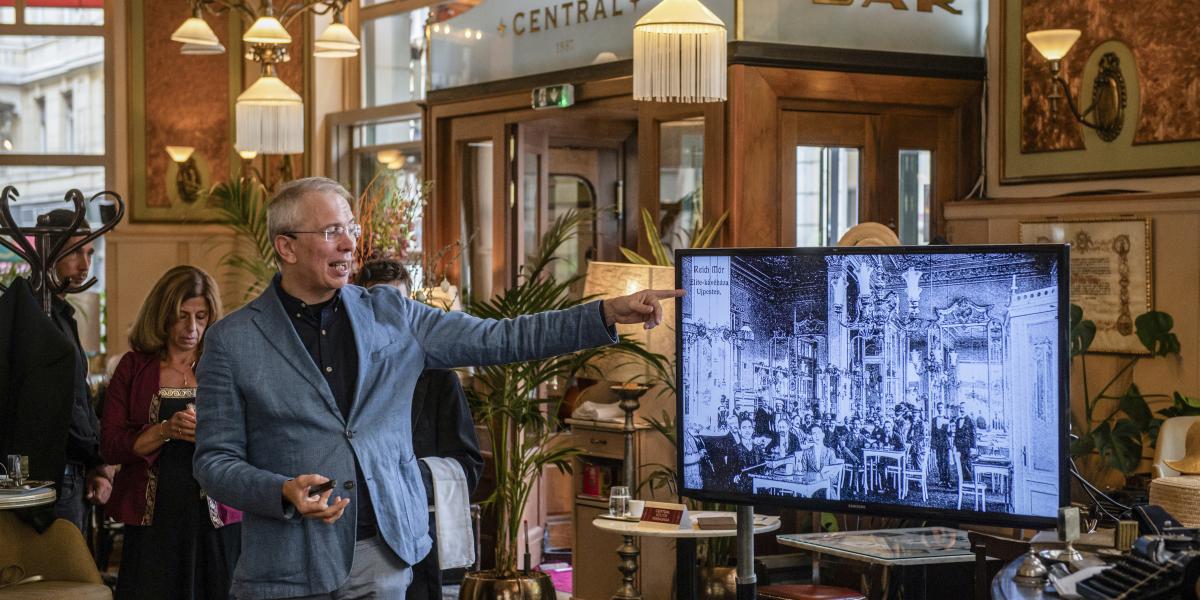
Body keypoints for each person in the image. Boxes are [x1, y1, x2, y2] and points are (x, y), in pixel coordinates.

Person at [192, 177, 681, 599]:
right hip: (288, 565)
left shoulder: (394, 314)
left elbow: (502, 337)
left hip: (384, 554)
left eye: (351, 230)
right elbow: (215, 461)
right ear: (286, 247)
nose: (347, 245)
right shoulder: (233, 340)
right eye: (331, 232)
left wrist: (602, 315)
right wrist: (279, 490)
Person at [101, 266, 241, 599]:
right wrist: (165, 429)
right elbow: (110, 446)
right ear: (162, 314)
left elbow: (253, 437)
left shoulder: (225, 364)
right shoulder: (133, 367)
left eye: (201, 316)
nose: (191, 328)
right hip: (154, 517)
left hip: (216, 516)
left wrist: (214, 432)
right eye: (181, 317)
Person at [354, 260, 484, 600]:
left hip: (416, 534)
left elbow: (468, 465)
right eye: (377, 303)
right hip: (354, 537)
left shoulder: (441, 380)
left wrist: (404, 477)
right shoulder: (343, 375)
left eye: (398, 304)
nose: (388, 316)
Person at [38, 209, 114, 532]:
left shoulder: (60, 314)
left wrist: (98, 461)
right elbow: (60, 408)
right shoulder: (37, 313)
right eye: (74, 253)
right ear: (48, 252)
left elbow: (79, 399)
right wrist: (99, 458)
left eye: (89, 253)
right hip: (58, 475)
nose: (85, 265)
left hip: (72, 472)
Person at [931, 402, 953, 487]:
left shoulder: (947, 418)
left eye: (941, 407)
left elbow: (950, 434)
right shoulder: (934, 420)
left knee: (946, 462)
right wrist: (933, 446)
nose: (940, 409)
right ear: (937, 408)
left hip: (945, 444)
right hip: (937, 444)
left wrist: (949, 428)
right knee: (939, 462)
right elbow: (933, 434)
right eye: (938, 407)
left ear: (943, 408)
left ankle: (948, 480)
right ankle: (941, 479)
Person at [954, 404, 977, 482]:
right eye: (960, 408)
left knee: (967, 463)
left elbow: (973, 434)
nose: (961, 409)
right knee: (960, 463)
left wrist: (973, 447)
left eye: (963, 408)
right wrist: (955, 444)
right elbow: (956, 433)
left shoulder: (970, 420)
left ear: (966, 409)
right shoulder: (957, 420)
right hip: (959, 446)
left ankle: (969, 481)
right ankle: (963, 481)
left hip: (967, 446)